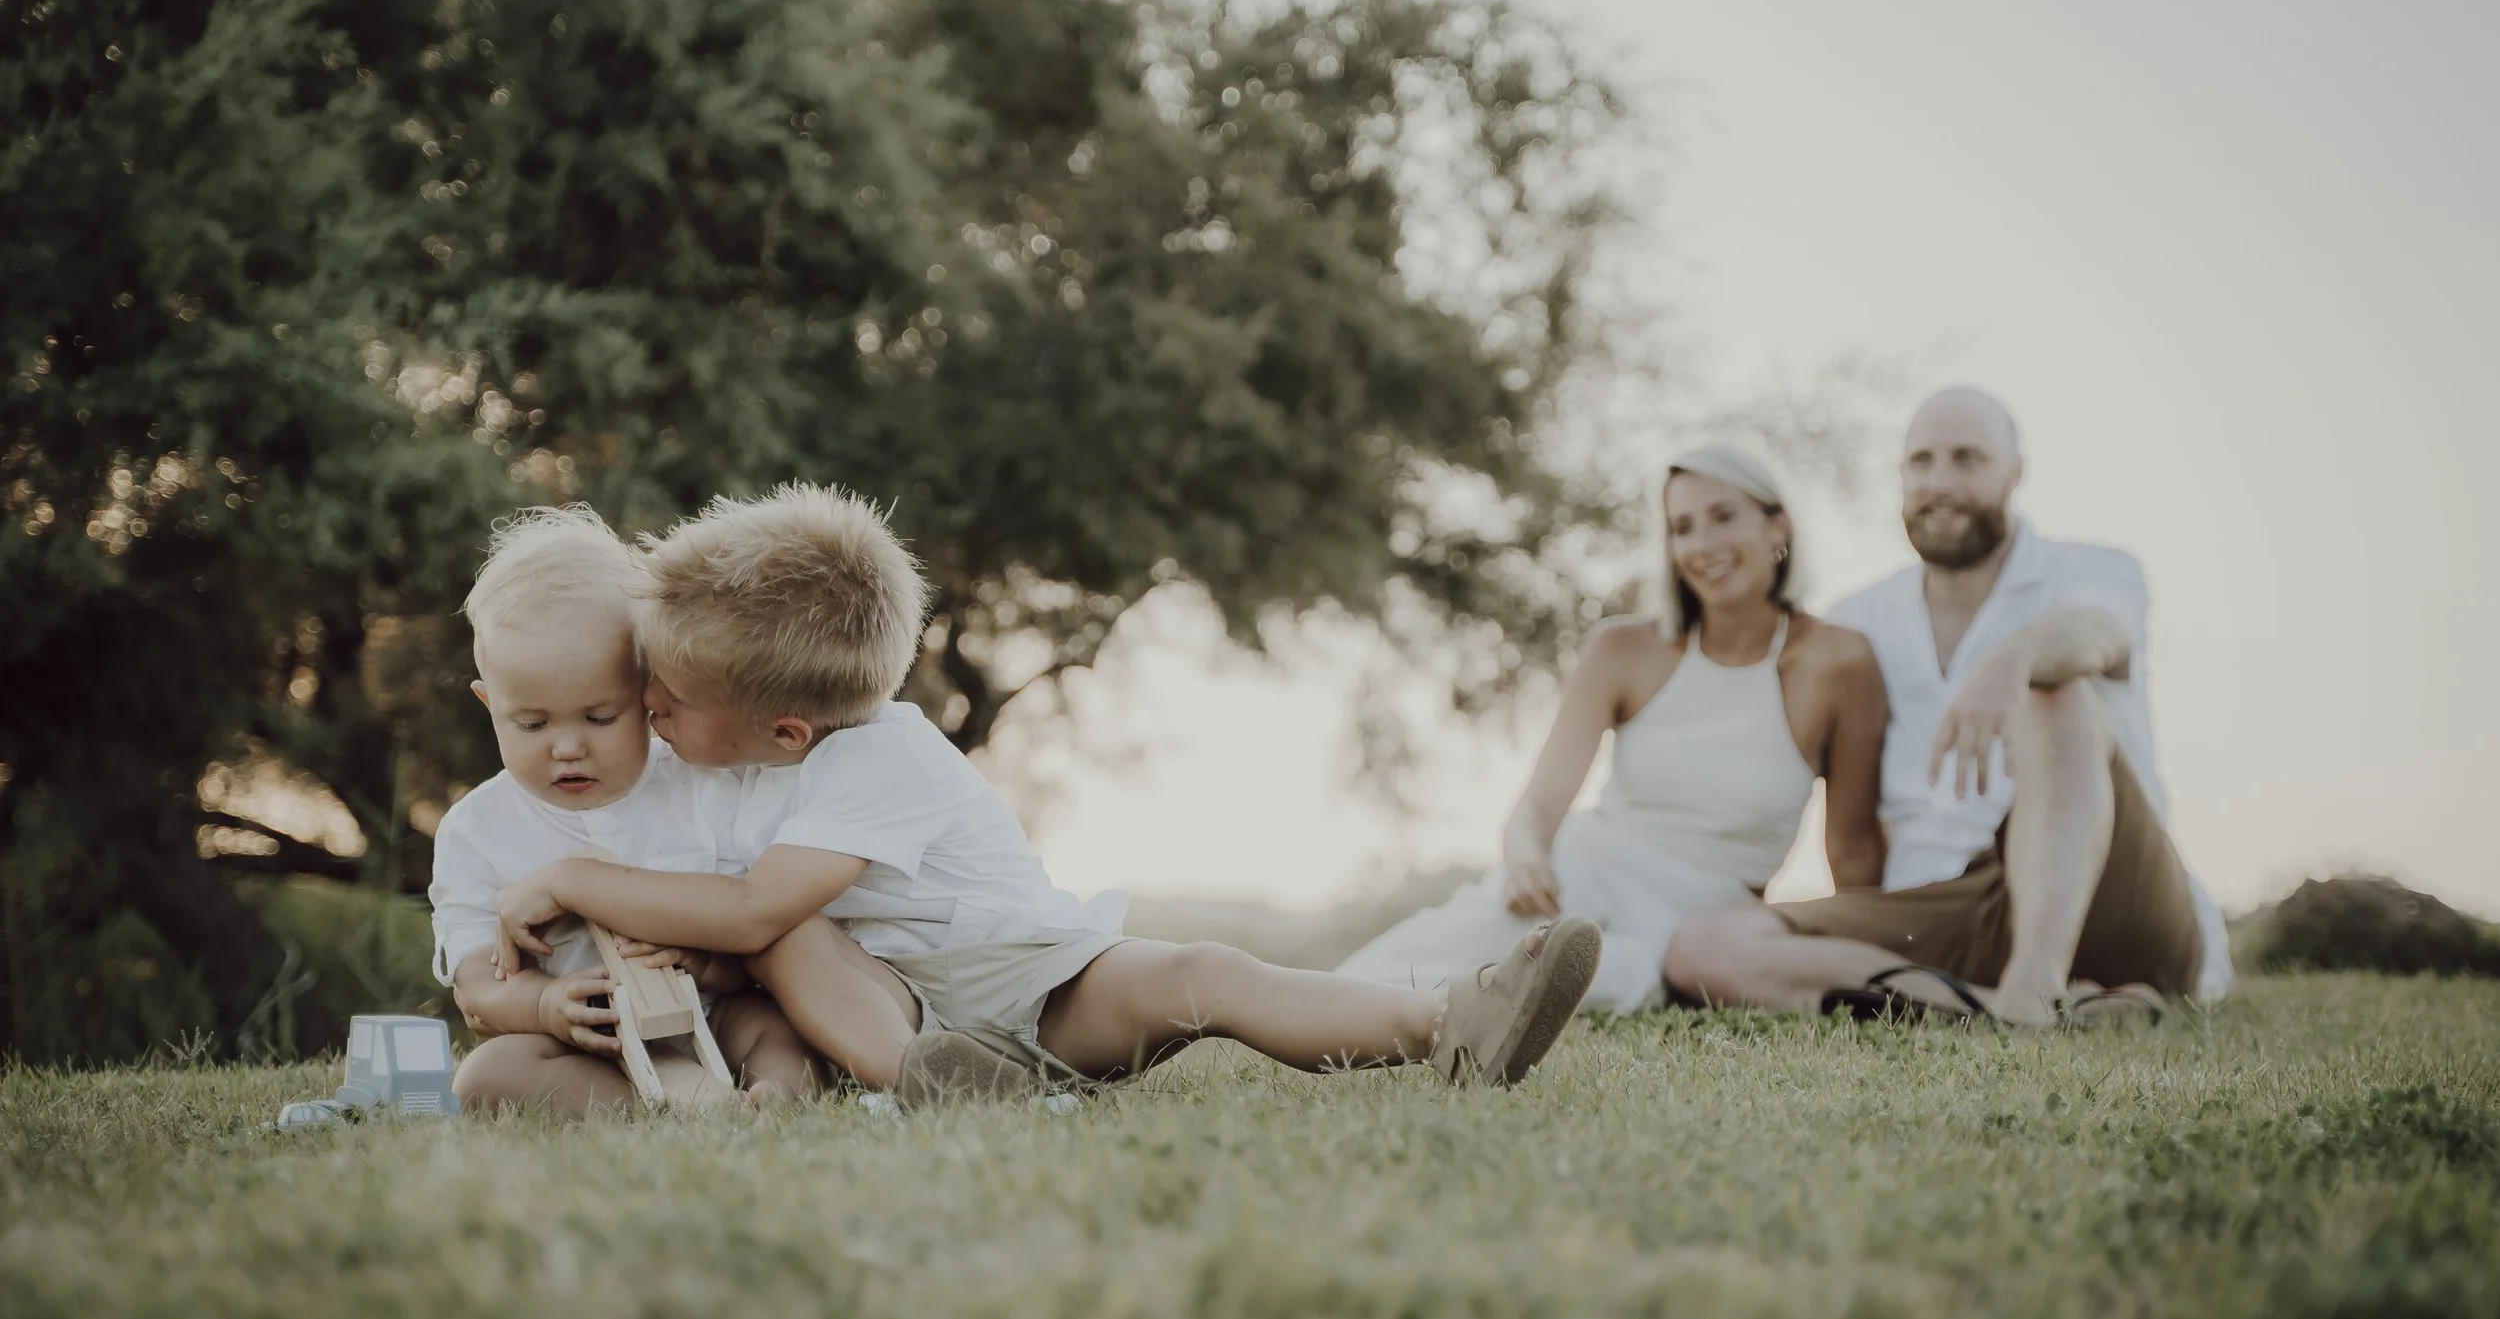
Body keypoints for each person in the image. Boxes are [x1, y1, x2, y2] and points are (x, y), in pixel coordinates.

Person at [484, 484, 1601, 1104]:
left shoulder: (884, 757)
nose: (652, 713)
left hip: (1045, 986)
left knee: (1206, 972)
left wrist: (580, 876)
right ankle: (938, 1085)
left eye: (667, 696)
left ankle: (1452, 1019)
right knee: (793, 937)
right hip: (917, 1016)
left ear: (785, 727)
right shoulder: (719, 768)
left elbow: (744, 914)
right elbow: (725, 924)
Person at [1664, 388, 2233, 1027]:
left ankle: (2038, 981)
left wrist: (2011, 660)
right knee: (1703, 945)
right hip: (1942, 907)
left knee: (2056, 697)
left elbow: (2098, 637)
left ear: (2014, 474)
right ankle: (2014, 1009)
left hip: (2111, 901)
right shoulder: (1860, 620)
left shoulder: (2091, 571)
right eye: (1922, 461)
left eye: (1967, 460)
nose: (1940, 481)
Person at [1337, 446, 1889, 1012]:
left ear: (1779, 525)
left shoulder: (1841, 662)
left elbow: (1852, 851)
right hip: (1579, 877)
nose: (1702, 545)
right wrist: (1525, 853)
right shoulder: (1622, 650)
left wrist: (1866, 962)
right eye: (1682, 528)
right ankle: (1295, 1014)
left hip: (1696, 926)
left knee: (1605, 979)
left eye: (1724, 517)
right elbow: (1537, 808)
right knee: (1408, 964)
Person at [433, 507, 831, 1116]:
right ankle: (657, 1110)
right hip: (589, 1040)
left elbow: (755, 938)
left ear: (648, 693)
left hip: (709, 1015)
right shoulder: (477, 831)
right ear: (490, 704)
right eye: (532, 723)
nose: (568, 746)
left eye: (600, 718)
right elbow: (479, 987)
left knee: (775, 1028)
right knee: (488, 1075)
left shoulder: (703, 788)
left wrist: (705, 963)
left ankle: (775, 1098)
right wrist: (546, 1006)